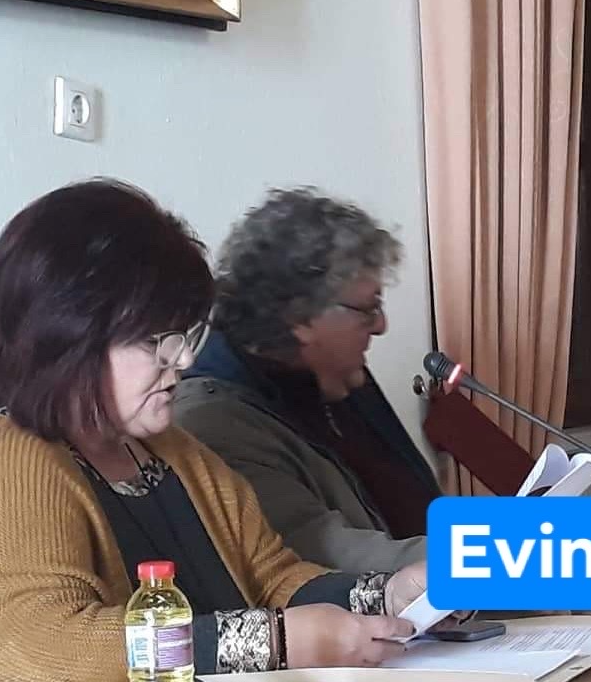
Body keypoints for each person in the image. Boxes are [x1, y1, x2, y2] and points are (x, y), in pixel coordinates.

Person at [0, 179, 425, 682]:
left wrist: (388, 594)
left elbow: (271, 578)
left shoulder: (173, 452)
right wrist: (277, 641)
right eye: (156, 341)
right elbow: (36, 656)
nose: (181, 361)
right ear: (69, 335)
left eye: (184, 335)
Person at [173, 187, 440, 575]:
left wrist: (518, 536)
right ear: (298, 317)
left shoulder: (339, 376)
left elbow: (419, 512)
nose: (381, 325)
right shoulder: (215, 425)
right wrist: (517, 555)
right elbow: (332, 560)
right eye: (368, 308)